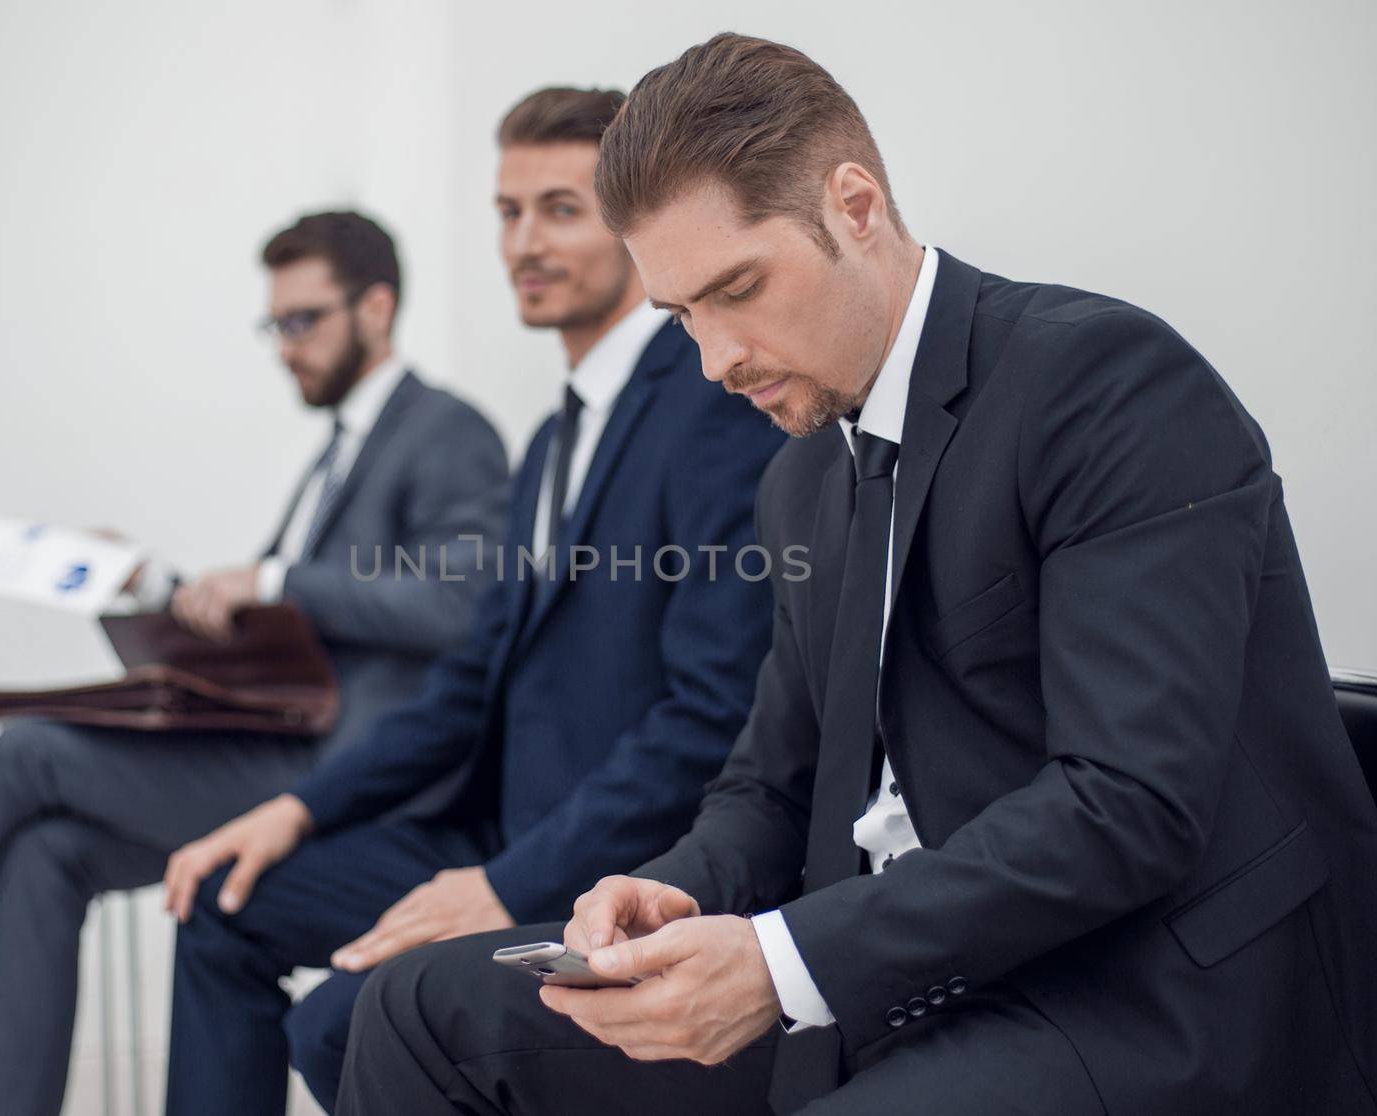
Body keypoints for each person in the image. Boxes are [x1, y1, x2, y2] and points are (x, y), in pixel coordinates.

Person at [334, 33, 1377, 1116]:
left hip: (1134, 994)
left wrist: (784, 963)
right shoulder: (802, 479)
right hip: (891, 979)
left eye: (737, 288)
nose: (716, 359)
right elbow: (769, 783)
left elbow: (1127, 805)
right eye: (683, 313)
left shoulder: (1104, 385)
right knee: (416, 1013)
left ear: (855, 206)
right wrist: (680, 890)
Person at [0, 211, 509, 1113]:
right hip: (277, 738)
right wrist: (159, 588)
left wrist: (276, 575)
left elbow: (461, 599)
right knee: (44, 852)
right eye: (272, 324)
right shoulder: (340, 450)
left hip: (346, 774)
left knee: (29, 752)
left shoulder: (446, 431)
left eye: (302, 320)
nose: (284, 346)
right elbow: (289, 618)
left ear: (379, 307)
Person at [158, 87, 788, 1116]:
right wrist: (294, 809)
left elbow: (709, 718)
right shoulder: (548, 442)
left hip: (607, 867)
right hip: (490, 833)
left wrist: (500, 891)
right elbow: (465, 685)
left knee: (339, 1021)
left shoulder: (712, 403)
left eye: (560, 208)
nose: (523, 243)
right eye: (506, 212)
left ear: (636, 223)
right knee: (220, 902)